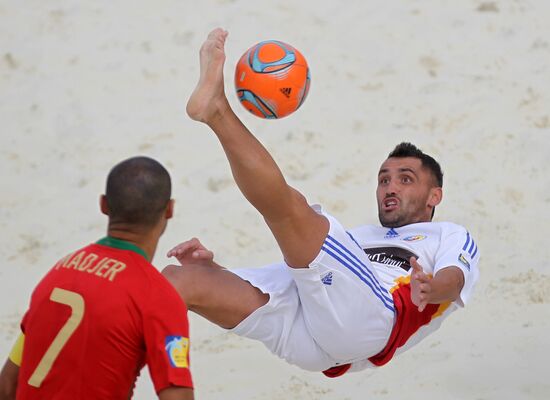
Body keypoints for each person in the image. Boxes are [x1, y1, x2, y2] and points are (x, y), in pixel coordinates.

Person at [162, 28, 480, 377]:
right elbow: (312, 280)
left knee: (294, 209)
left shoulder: (448, 234)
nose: (390, 187)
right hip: (312, 338)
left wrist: (433, 288)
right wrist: (216, 271)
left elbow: (456, 278)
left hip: (373, 318)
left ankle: (218, 111)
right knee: (181, 279)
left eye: (406, 179)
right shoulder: (362, 236)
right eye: (384, 179)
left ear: (435, 196)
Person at [0, 157, 194, 399]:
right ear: (169, 210)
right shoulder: (157, 295)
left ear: (103, 205)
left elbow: (7, 384)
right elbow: (178, 396)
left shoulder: (58, 273)